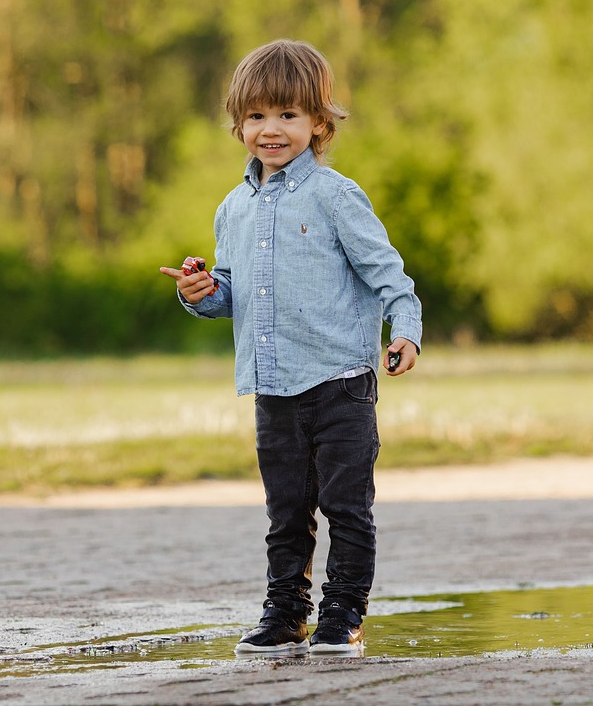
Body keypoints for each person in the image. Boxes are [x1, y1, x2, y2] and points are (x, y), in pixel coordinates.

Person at [159, 39, 422, 655]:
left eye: (287, 116)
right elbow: (232, 291)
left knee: (345, 507)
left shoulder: (336, 196)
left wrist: (405, 330)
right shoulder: (233, 208)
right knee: (286, 513)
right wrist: (202, 291)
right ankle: (285, 612)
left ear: (320, 124)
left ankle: (343, 613)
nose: (270, 130)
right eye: (255, 117)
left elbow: (389, 274)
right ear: (238, 124)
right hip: (272, 386)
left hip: (340, 382)